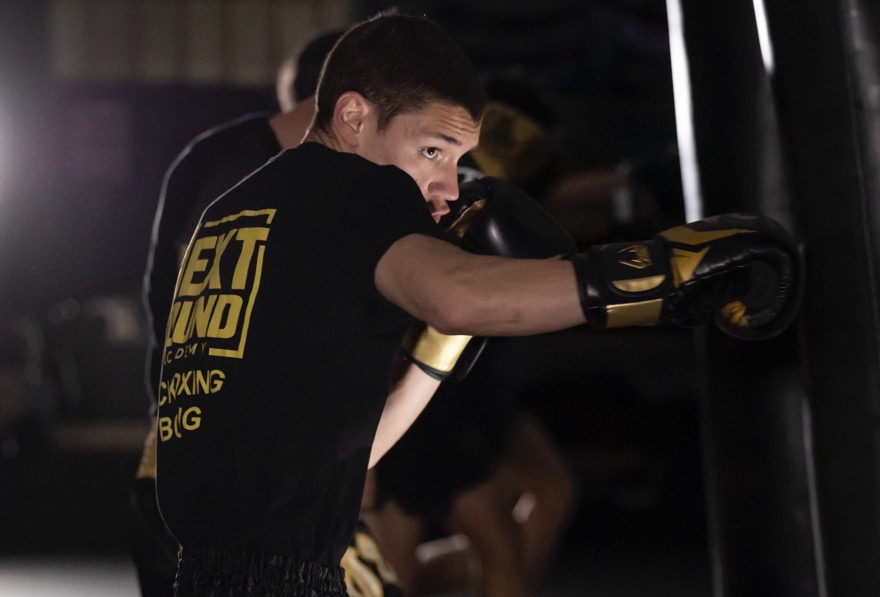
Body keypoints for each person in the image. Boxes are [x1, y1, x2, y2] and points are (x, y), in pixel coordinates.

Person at [154, 12, 800, 596]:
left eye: (457, 158)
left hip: (208, 568)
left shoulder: (236, 210)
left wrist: (434, 355)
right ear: (353, 116)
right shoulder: (356, 186)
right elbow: (460, 295)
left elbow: (341, 449)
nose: (446, 186)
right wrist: (665, 273)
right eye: (431, 150)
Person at [127, 29, 399, 597]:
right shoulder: (241, 171)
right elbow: (224, 328)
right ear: (353, 106)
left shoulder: (300, 184)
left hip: (267, 485)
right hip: (228, 486)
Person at [364, 84, 580, 597]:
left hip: (460, 373)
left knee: (529, 510)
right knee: (417, 559)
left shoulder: (500, 180)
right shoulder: (422, 174)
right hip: (414, 375)